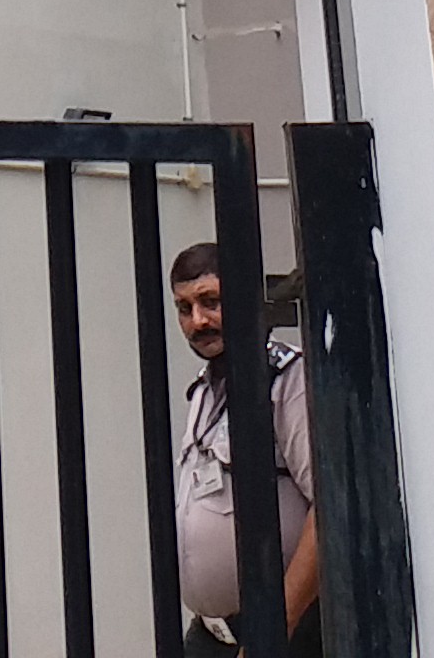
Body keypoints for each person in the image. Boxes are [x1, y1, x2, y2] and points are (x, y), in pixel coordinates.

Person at [168, 240, 322, 654]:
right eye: (185, 308)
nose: (198, 321)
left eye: (210, 302)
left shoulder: (285, 379)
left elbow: (326, 511)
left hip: (279, 636)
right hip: (211, 637)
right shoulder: (204, 389)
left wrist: (274, 631)